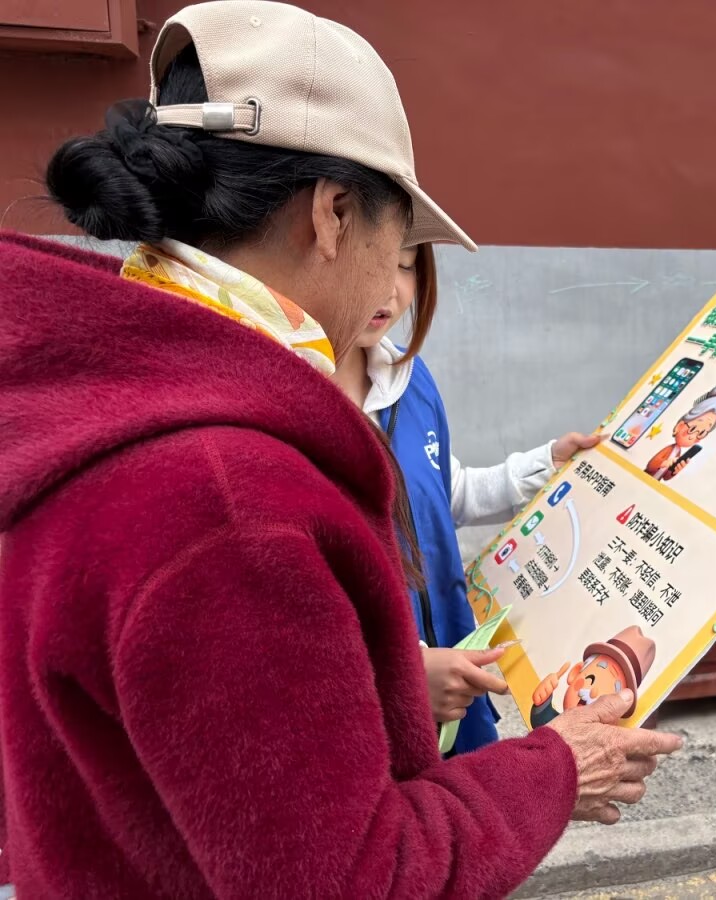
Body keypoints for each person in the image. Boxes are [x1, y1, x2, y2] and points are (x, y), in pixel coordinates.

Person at [0, 3, 681, 898]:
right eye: (398, 241)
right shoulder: (229, 501)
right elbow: (355, 877)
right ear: (333, 214)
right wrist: (558, 768)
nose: (390, 284)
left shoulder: (113, 395)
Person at [331, 242, 602, 753]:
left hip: (456, 674)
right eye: (370, 262)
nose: (390, 289)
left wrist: (547, 465)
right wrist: (403, 674)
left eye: (405, 267)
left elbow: (444, 494)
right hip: (370, 716)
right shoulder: (289, 410)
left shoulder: (411, 381)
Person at [645, 383, 716, 481]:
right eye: (692, 429)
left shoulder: (678, 453)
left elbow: (665, 477)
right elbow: (650, 466)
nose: (693, 437)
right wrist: (663, 463)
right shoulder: (669, 449)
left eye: (701, 433)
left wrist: (674, 471)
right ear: (679, 426)